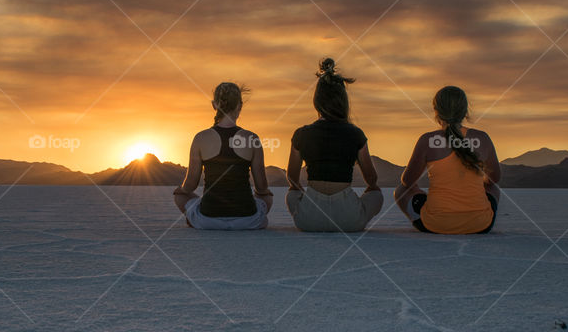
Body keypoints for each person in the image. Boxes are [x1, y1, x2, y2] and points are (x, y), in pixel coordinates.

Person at [285, 58, 382, 232]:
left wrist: (306, 196)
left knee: (291, 195)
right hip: (348, 219)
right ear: (343, 101)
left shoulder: (301, 134)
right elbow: (372, 180)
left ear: (317, 101)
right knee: (377, 195)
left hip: (310, 219)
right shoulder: (355, 134)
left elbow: (292, 179)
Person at [395, 86, 501, 234]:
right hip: (480, 225)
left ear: (436, 111)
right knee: (492, 188)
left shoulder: (428, 140)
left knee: (401, 190)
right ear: (465, 111)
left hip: (436, 224)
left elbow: (407, 182)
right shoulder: (482, 138)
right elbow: (494, 179)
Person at [173, 82, 273, 230]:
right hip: (247, 220)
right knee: (267, 197)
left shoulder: (200, 138)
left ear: (214, 105)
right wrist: (263, 193)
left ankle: (193, 219)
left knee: (180, 196)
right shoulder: (252, 138)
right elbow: (262, 186)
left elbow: (190, 186)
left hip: (208, 220)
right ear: (240, 105)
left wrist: (180, 190)